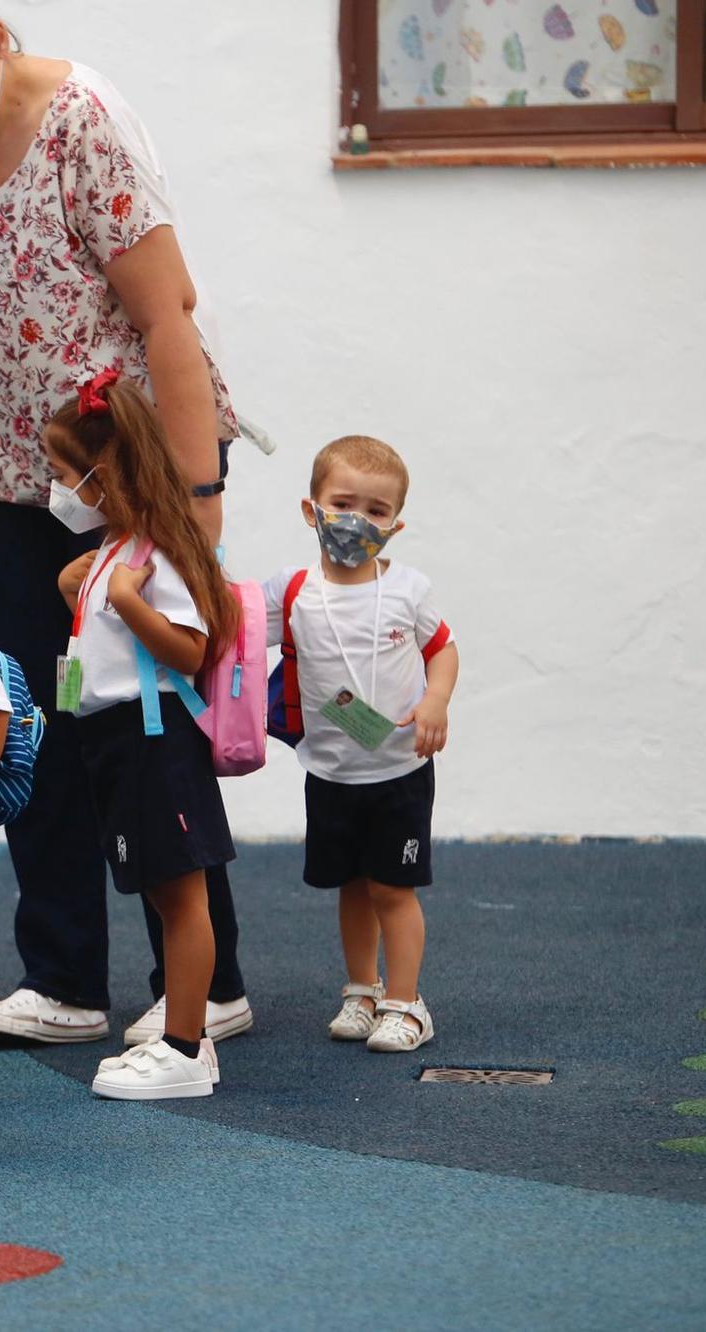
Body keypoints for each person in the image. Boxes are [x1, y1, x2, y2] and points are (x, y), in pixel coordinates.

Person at [0, 0, 252, 1048]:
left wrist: (192, 504)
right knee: (29, 719)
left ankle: (209, 981)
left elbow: (164, 315)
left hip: (133, 478)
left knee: (138, 728)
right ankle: (63, 983)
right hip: (7, 476)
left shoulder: (84, 120)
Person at [45, 380, 237, 1099]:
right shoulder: (113, 550)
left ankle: (186, 1048)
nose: (58, 491)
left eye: (67, 477)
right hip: (114, 742)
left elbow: (190, 650)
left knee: (184, 899)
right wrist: (89, 588)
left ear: (110, 477)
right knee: (160, 895)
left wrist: (124, 599)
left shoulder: (156, 555)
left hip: (153, 739)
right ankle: (182, 1039)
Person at [266, 435, 458, 1052]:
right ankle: (362, 990)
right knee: (351, 886)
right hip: (330, 771)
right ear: (310, 508)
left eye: (375, 511)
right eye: (342, 503)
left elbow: (443, 650)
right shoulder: (291, 591)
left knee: (392, 890)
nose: (356, 521)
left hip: (397, 770)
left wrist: (435, 701)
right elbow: (228, 630)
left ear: (395, 526)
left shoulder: (407, 589)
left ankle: (407, 1004)